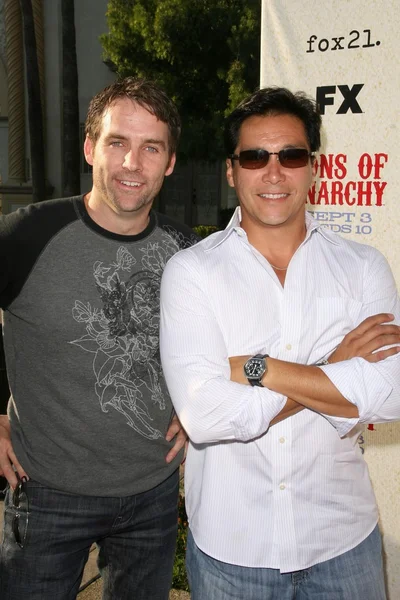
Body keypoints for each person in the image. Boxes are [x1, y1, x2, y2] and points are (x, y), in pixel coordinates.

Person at [160, 87, 400, 600]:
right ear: (231, 170)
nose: (273, 172)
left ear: (314, 167)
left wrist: (255, 366)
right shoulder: (191, 273)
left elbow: (388, 394)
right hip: (232, 552)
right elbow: (205, 415)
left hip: (342, 545)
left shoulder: (363, 268)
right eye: (254, 157)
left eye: (290, 155)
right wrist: (333, 366)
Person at [0, 77, 199, 600]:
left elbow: (220, 343)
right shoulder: (27, 235)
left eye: (151, 147)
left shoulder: (187, 250)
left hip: (152, 495)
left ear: (170, 161)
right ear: (90, 148)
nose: (133, 163)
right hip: (46, 497)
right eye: (118, 143)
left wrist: (199, 406)